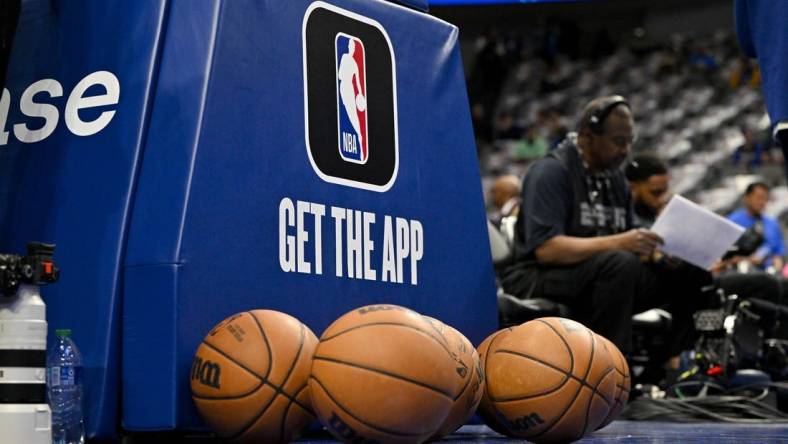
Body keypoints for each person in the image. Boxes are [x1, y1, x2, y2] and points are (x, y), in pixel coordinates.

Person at [501, 96, 710, 362]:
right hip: (538, 274)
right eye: (619, 141)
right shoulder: (551, 172)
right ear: (589, 136)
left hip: (604, 274)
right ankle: (609, 372)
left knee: (692, 271)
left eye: (630, 141)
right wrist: (622, 243)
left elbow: (630, 238)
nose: (626, 150)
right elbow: (547, 249)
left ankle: (676, 367)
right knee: (619, 263)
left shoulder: (616, 180)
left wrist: (658, 255)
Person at [626, 154, 783, 306]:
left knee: (773, 287)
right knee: (765, 286)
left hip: (699, 280)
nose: (661, 198)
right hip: (676, 287)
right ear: (633, 188)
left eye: (665, 191)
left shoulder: (665, 211)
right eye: (655, 192)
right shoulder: (629, 218)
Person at [727, 182, 785, 272]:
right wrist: (746, 260)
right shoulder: (733, 221)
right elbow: (726, 255)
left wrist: (776, 268)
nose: (762, 202)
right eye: (759, 198)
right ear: (747, 198)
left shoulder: (772, 224)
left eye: (765, 199)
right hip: (740, 273)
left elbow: (778, 254)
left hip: (768, 274)